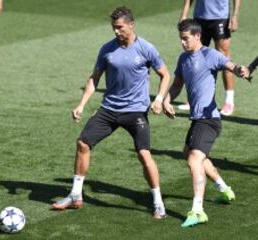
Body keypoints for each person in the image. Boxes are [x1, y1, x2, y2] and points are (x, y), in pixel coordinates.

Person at [51, 6, 170, 219]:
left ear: (131, 25)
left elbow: (165, 74)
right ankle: (75, 195)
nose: (116, 31)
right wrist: (81, 104)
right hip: (109, 109)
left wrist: (159, 99)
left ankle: (158, 202)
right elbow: (94, 78)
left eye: (120, 27)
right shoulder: (107, 49)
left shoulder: (146, 48)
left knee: (144, 155)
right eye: (114, 27)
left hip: (135, 112)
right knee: (83, 144)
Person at [163, 19, 249, 227]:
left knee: (194, 159)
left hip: (209, 120)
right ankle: (224, 188)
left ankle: (198, 210)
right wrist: (166, 99)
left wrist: (240, 69)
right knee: (190, 154)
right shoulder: (183, 59)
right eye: (181, 39)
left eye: (186, 39)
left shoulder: (210, 55)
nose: (183, 43)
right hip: (197, 118)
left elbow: (229, 65)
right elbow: (177, 84)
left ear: (197, 36)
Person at [178, 0, 241, 116]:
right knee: (196, 55)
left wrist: (235, 15)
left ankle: (229, 101)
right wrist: (184, 14)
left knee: (224, 57)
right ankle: (194, 98)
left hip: (220, 17)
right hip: (200, 17)